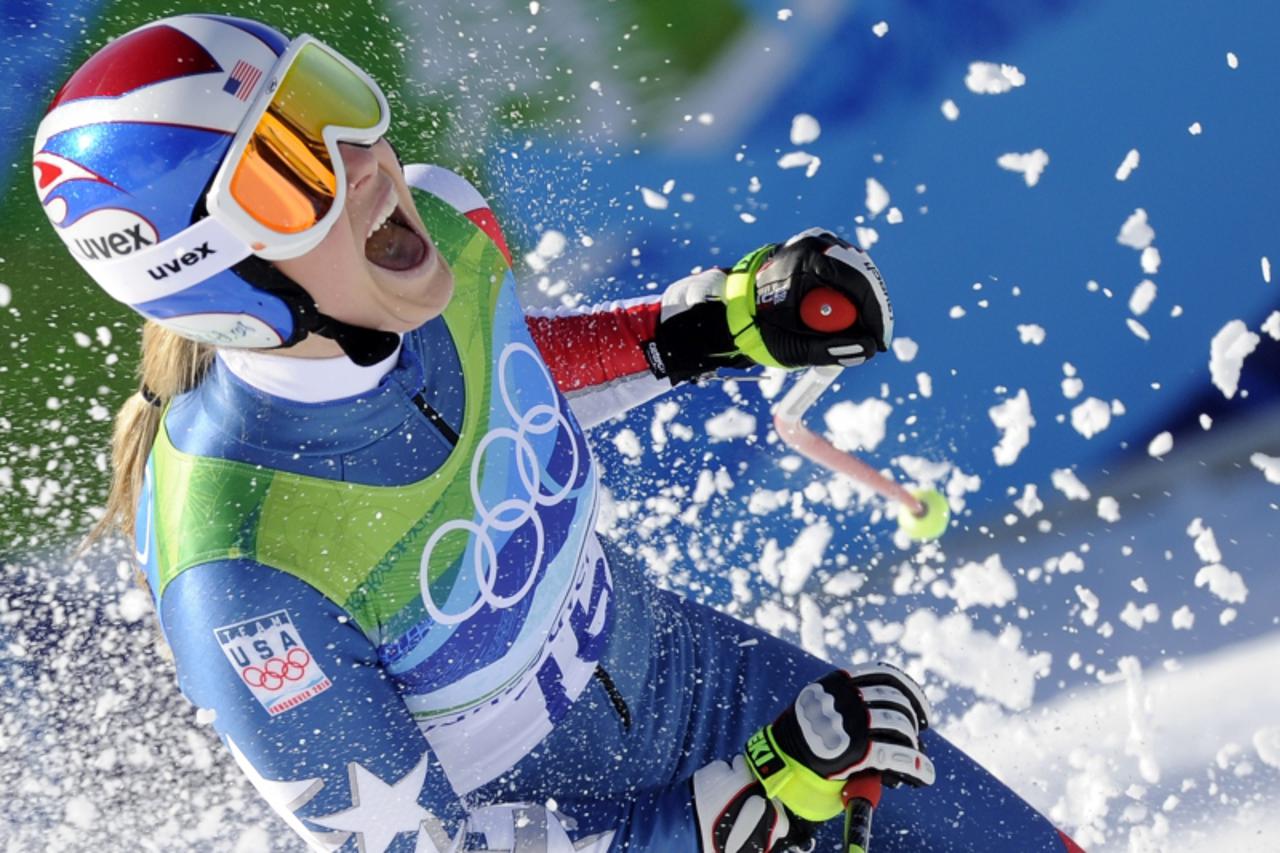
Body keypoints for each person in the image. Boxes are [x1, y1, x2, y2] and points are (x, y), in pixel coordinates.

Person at [35, 14, 1083, 853]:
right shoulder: (240, 571)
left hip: (716, 691)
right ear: (218, 287)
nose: (363, 164)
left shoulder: (443, 228)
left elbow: (498, 374)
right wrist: (727, 815)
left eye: (330, 103)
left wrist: (707, 328)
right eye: (286, 170)